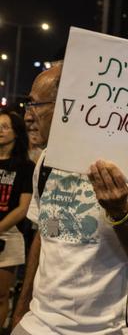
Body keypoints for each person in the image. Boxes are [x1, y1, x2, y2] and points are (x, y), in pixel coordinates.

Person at [12, 65, 128, 334]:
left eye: (37, 104)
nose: (28, 116)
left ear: (71, 105)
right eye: (29, 103)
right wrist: (22, 312)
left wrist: (120, 212)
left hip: (108, 329)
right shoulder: (46, 161)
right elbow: (45, 234)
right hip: (38, 324)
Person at [0, 110, 34, 328]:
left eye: (5, 126)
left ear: (16, 132)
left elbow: (23, 208)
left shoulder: (25, 167)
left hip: (8, 237)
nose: (0, 131)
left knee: (1, 295)